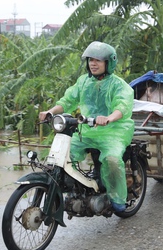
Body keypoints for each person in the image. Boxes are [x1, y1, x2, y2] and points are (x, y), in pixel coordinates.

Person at [39, 41, 135, 213]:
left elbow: (122, 107)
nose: (93, 63)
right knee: (64, 155)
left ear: (109, 63)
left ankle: (117, 197)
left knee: (111, 160)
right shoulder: (83, 81)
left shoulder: (119, 85)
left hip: (114, 131)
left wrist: (108, 118)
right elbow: (68, 101)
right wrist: (50, 111)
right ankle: (77, 189)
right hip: (87, 129)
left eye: (98, 60)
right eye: (90, 59)